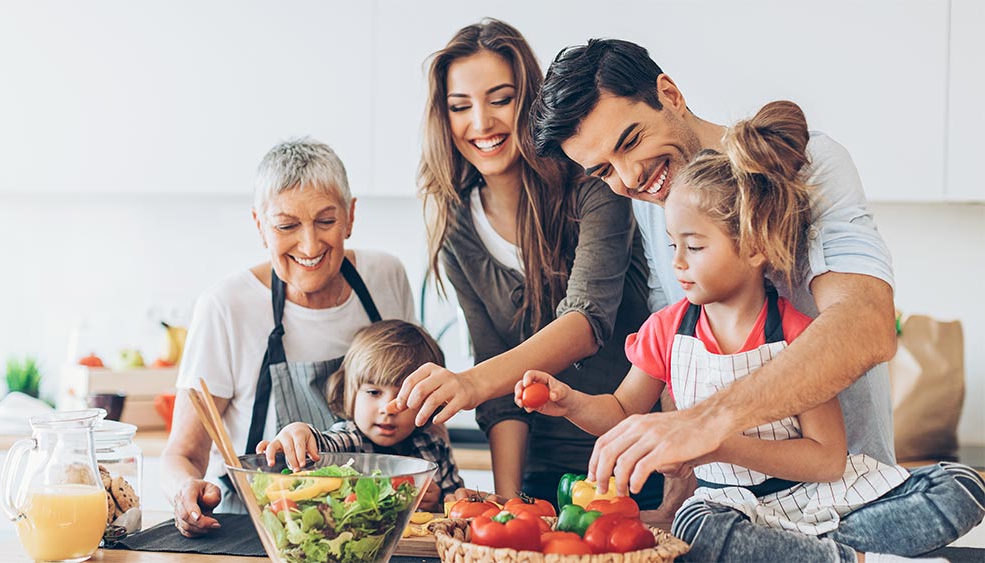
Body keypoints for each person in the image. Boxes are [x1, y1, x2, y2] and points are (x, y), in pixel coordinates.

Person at [519, 101, 985, 561]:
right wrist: (571, 403)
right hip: (734, 508)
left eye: (695, 246)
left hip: (821, 499)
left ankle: (818, 552)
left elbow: (826, 460)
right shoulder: (666, 329)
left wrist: (716, 439)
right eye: (672, 245)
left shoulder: (803, 337)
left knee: (962, 487)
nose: (677, 262)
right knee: (697, 526)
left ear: (755, 245)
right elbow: (623, 411)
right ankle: (847, 558)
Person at [530, 38, 900, 498]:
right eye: (603, 171)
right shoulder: (654, 200)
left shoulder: (810, 163)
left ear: (670, 94)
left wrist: (707, 424)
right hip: (728, 500)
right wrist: (678, 488)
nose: (629, 179)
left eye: (630, 141)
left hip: (849, 493)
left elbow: (867, 324)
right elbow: (676, 363)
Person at [388, 19, 672, 510]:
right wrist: (507, 504)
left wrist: (469, 384)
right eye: (460, 107)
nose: (480, 123)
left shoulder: (595, 184)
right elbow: (496, 375)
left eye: (500, 99)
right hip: (539, 474)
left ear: (531, 102)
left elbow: (586, 322)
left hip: (631, 461)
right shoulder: (457, 226)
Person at [160, 138, 417, 537]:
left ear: (350, 216)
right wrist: (184, 492)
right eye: (287, 226)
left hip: (370, 528)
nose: (310, 245)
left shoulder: (385, 278)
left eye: (326, 221)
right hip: (258, 531)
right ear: (260, 226)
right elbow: (183, 453)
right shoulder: (226, 306)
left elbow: (421, 408)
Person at [257, 319, 464, 512]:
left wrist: (438, 502)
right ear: (350, 394)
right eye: (374, 393)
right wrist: (300, 431)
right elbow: (323, 445)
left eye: (405, 397)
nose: (388, 409)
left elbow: (456, 504)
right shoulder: (350, 439)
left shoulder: (435, 447)